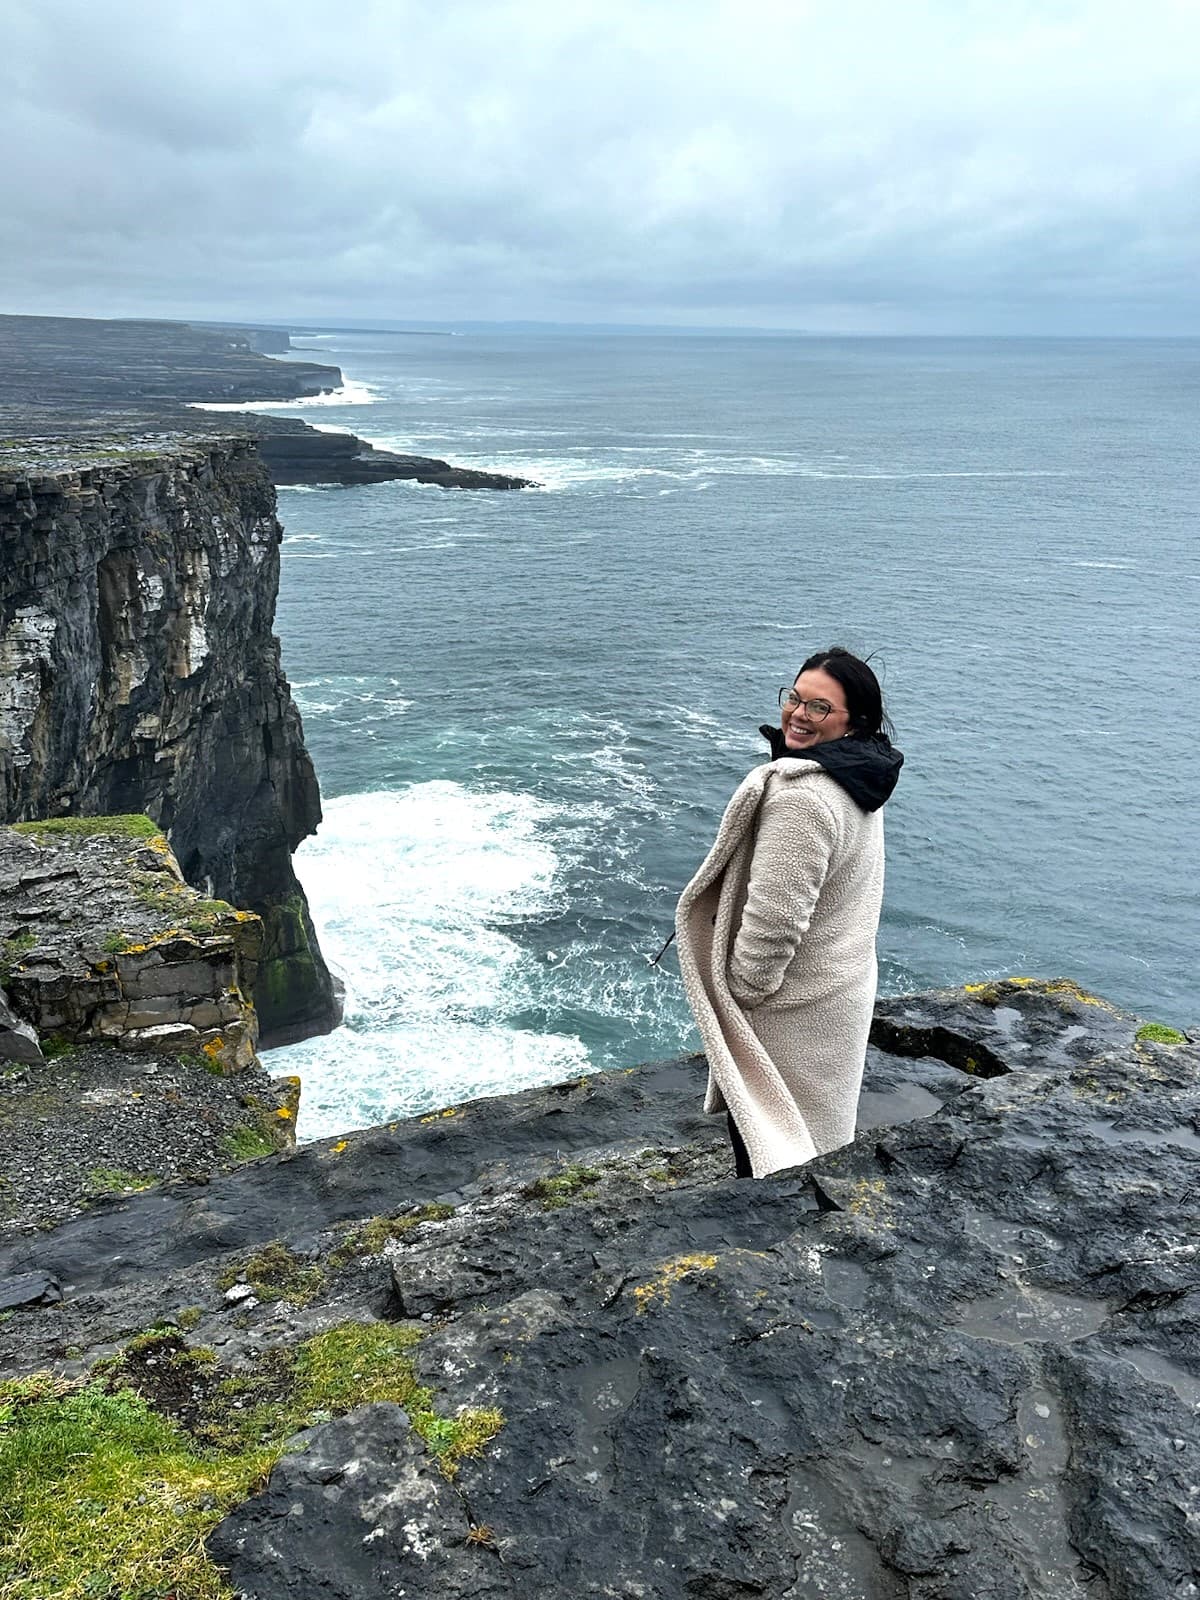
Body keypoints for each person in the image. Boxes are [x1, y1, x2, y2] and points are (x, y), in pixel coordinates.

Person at [675, 648, 903, 1179]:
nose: (798, 714)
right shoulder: (858, 776)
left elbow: (776, 920)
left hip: (790, 1010)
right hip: (836, 988)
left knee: (771, 1148)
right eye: (795, 699)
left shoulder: (803, 799)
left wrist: (743, 993)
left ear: (855, 722)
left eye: (820, 708)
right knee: (812, 1142)